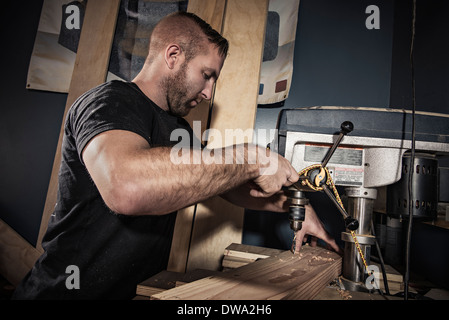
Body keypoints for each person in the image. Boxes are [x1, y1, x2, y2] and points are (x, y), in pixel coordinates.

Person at [13, 11, 339, 300]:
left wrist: (293, 206)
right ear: (173, 55)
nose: (210, 92)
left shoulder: (178, 129)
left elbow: (224, 184)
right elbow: (127, 187)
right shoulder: (108, 102)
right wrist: (253, 158)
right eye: (207, 74)